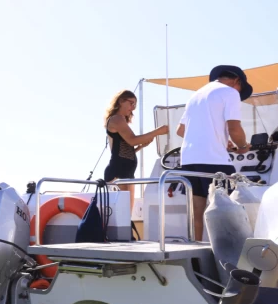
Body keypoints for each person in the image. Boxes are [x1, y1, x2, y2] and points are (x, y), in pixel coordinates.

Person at [175, 65, 253, 241]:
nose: (239, 95)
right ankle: (227, 254)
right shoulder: (230, 92)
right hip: (214, 160)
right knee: (228, 210)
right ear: (237, 81)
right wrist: (242, 146)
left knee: (197, 212)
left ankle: (196, 252)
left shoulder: (195, 96)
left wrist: (221, 140)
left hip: (189, 160)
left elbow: (181, 131)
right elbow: (234, 128)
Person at [104, 90, 169, 214]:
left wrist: (141, 147)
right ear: (121, 101)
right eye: (131, 103)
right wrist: (158, 131)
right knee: (122, 214)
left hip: (127, 172)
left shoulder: (121, 120)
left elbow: (126, 148)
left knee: (127, 215)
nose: (133, 108)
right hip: (117, 172)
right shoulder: (116, 119)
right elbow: (132, 140)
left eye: (135, 105)